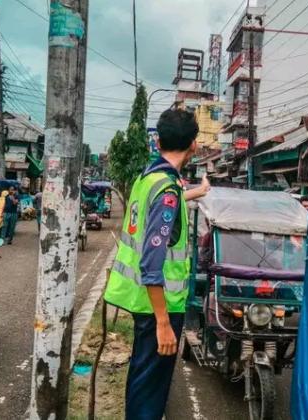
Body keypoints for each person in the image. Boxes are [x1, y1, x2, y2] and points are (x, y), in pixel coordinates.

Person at [104, 106, 209, 420]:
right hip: (159, 306)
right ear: (193, 145)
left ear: (158, 142)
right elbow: (152, 262)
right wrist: (163, 323)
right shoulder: (166, 189)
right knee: (150, 391)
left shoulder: (149, 178)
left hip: (144, 301)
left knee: (142, 381)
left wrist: (197, 192)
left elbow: (167, 202)